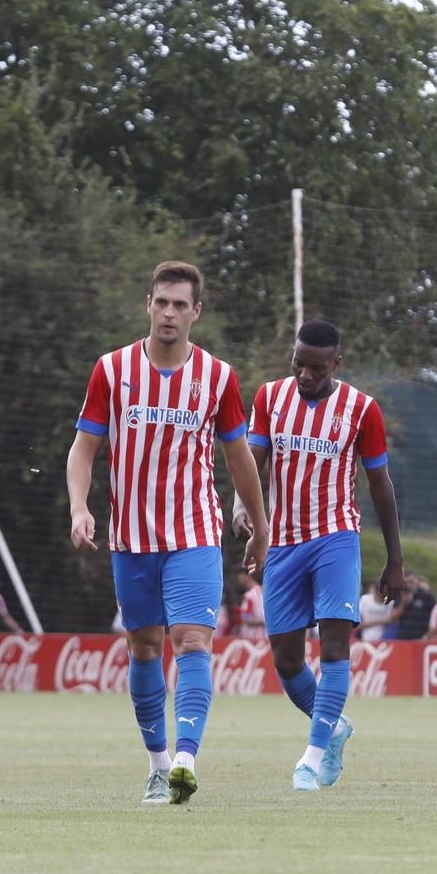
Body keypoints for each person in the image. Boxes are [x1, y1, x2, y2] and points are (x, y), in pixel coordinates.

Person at [67, 260, 268, 806]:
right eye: (162, 302)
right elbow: (84, 446)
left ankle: (185, 758)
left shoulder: (218, 377)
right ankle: (157, 764)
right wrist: (79, 508)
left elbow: (239, 460)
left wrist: (259, 523)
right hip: (130, 536)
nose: (170, 313)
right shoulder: (111, 370)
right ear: (148, 305)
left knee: (193, 641)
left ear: (196, 312)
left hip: (195, 532)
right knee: (144, 646)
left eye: (181, 304)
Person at [236, 319, 404, 791]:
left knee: (333, 645)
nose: (305, 376)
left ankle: (310, 758)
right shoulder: (270, 398)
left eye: (316, 367)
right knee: (287, 662)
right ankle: (333, 726)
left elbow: (380, 485)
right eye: (298, 364)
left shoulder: (362, 410)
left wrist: (395, 558)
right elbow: (251, 461)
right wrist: (244, 513)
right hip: (284, 543)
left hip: (336, 537)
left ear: (336, 363)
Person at [395, 572, 437, 640]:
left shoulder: (427, 596)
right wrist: (403, 604)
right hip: (403, 638)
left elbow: (435, 618)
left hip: (422, 638)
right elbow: (392, 619)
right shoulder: (399, 595)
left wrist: (430, 635)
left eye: (411, 582)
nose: (408, 585)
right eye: (405, 583)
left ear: (416, 581)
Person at [233, 570, 267, 641]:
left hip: (252, 639)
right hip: (265, 638)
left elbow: (245, 618)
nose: (238, 579)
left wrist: (264, 621)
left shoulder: (249, 596)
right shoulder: (265, 592)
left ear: (246, 576)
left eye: (239, 576)